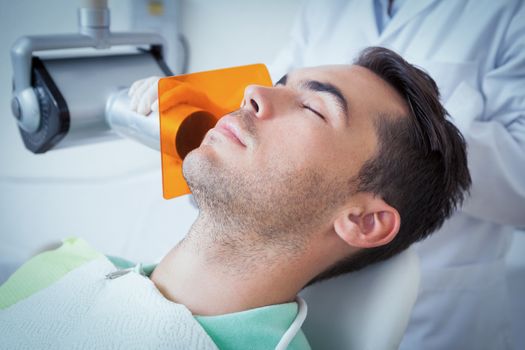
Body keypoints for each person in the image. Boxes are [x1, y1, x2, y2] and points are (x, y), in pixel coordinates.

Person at [0, 48, 470, 349]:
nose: (252, 93)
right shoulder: (63, 266)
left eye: (311, 107)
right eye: (281, 83)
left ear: (364, 221)